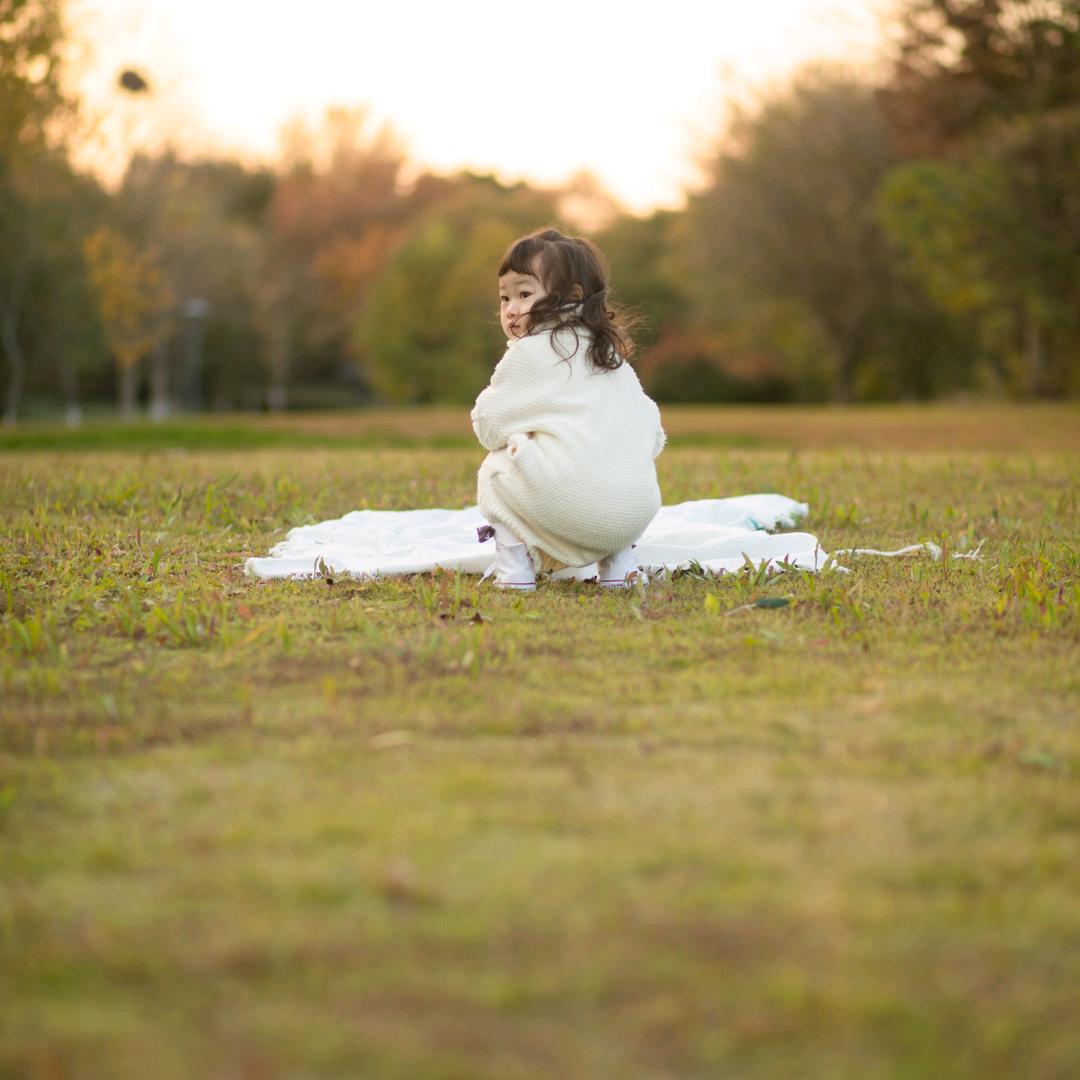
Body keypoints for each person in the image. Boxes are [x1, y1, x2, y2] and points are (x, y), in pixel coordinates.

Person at [471, 227, 666, 591]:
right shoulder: (608, 355)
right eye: (504, 298)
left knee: (497, 467)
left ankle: (514, 569)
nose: (511, 310)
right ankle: (619, 565)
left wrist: (503, 423)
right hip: (633, 513)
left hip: (570, 508)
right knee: (612, 452)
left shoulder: (530, 353)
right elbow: (653, 433)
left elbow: (490, 425)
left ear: (571, 296)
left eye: (525, 294)